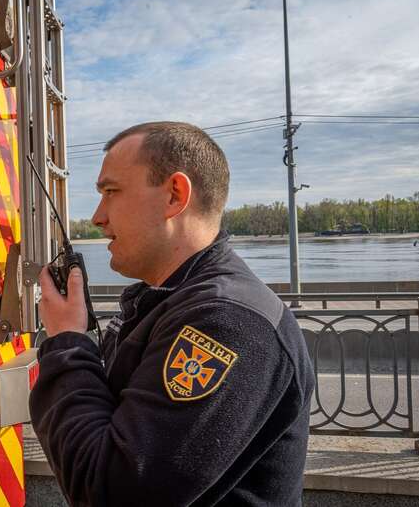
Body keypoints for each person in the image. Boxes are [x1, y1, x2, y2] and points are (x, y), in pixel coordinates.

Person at [29, 121, 315, 506]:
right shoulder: (169, 301)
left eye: (111, 192)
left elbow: (110, 492)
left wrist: (68, 344)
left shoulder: (228, 323)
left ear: (174, 196)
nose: (98, 217)